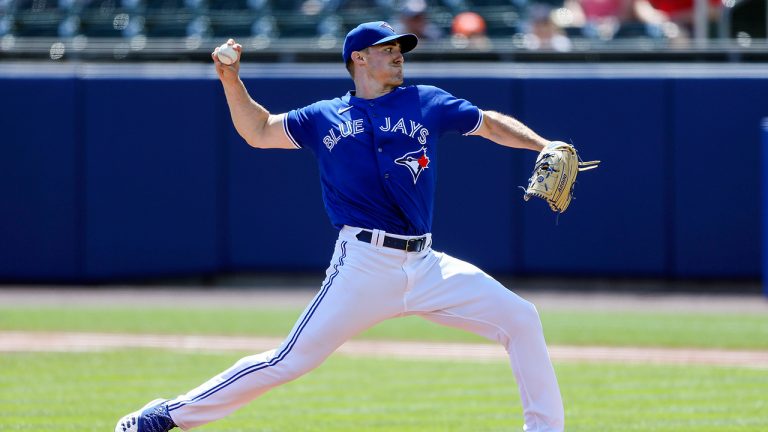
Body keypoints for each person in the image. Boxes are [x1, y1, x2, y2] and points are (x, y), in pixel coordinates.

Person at [115, 21, 565, 432]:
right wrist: (231, 80)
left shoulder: (426, 101)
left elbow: (487, 123)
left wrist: (544, 145)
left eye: (400, 48)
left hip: (428, 265)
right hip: (364, 265)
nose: (398, 54)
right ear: (359, 58)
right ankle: (164, 416)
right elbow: (258, 130)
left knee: (521, 318)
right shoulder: (325, 116)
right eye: (386, 48)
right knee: (287, 361)